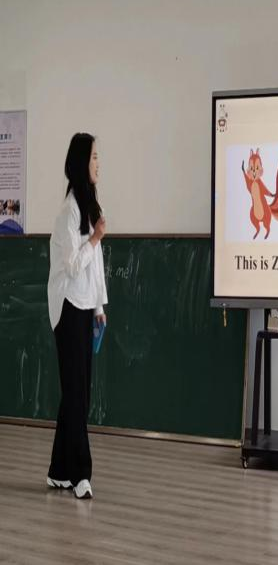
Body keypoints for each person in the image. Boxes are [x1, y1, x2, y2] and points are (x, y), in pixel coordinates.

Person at [47, 133, 107, 499]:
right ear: (81, 162)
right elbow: (71, 265)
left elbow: (95, 264)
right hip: (68, 307)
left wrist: (100, 307)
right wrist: (95, 238)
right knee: (76, 394)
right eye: (94, 157)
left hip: (85, 307)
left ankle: (59, 471)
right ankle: (81, 474)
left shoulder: (90, 206)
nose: (98, 163)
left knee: (76, 393)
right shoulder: (68, 211)